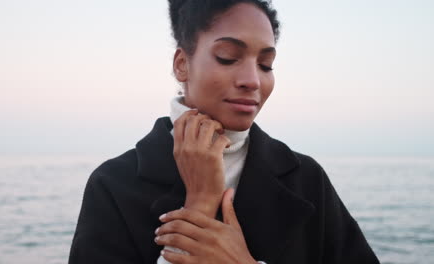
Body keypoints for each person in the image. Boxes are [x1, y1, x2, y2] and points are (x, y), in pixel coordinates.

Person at [69, 0, 380, 263]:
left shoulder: (306, 179)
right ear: (181, 64)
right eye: (228, 57)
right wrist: (201, 202)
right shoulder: (113, 183)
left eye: (266, 64)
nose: (253, 80)